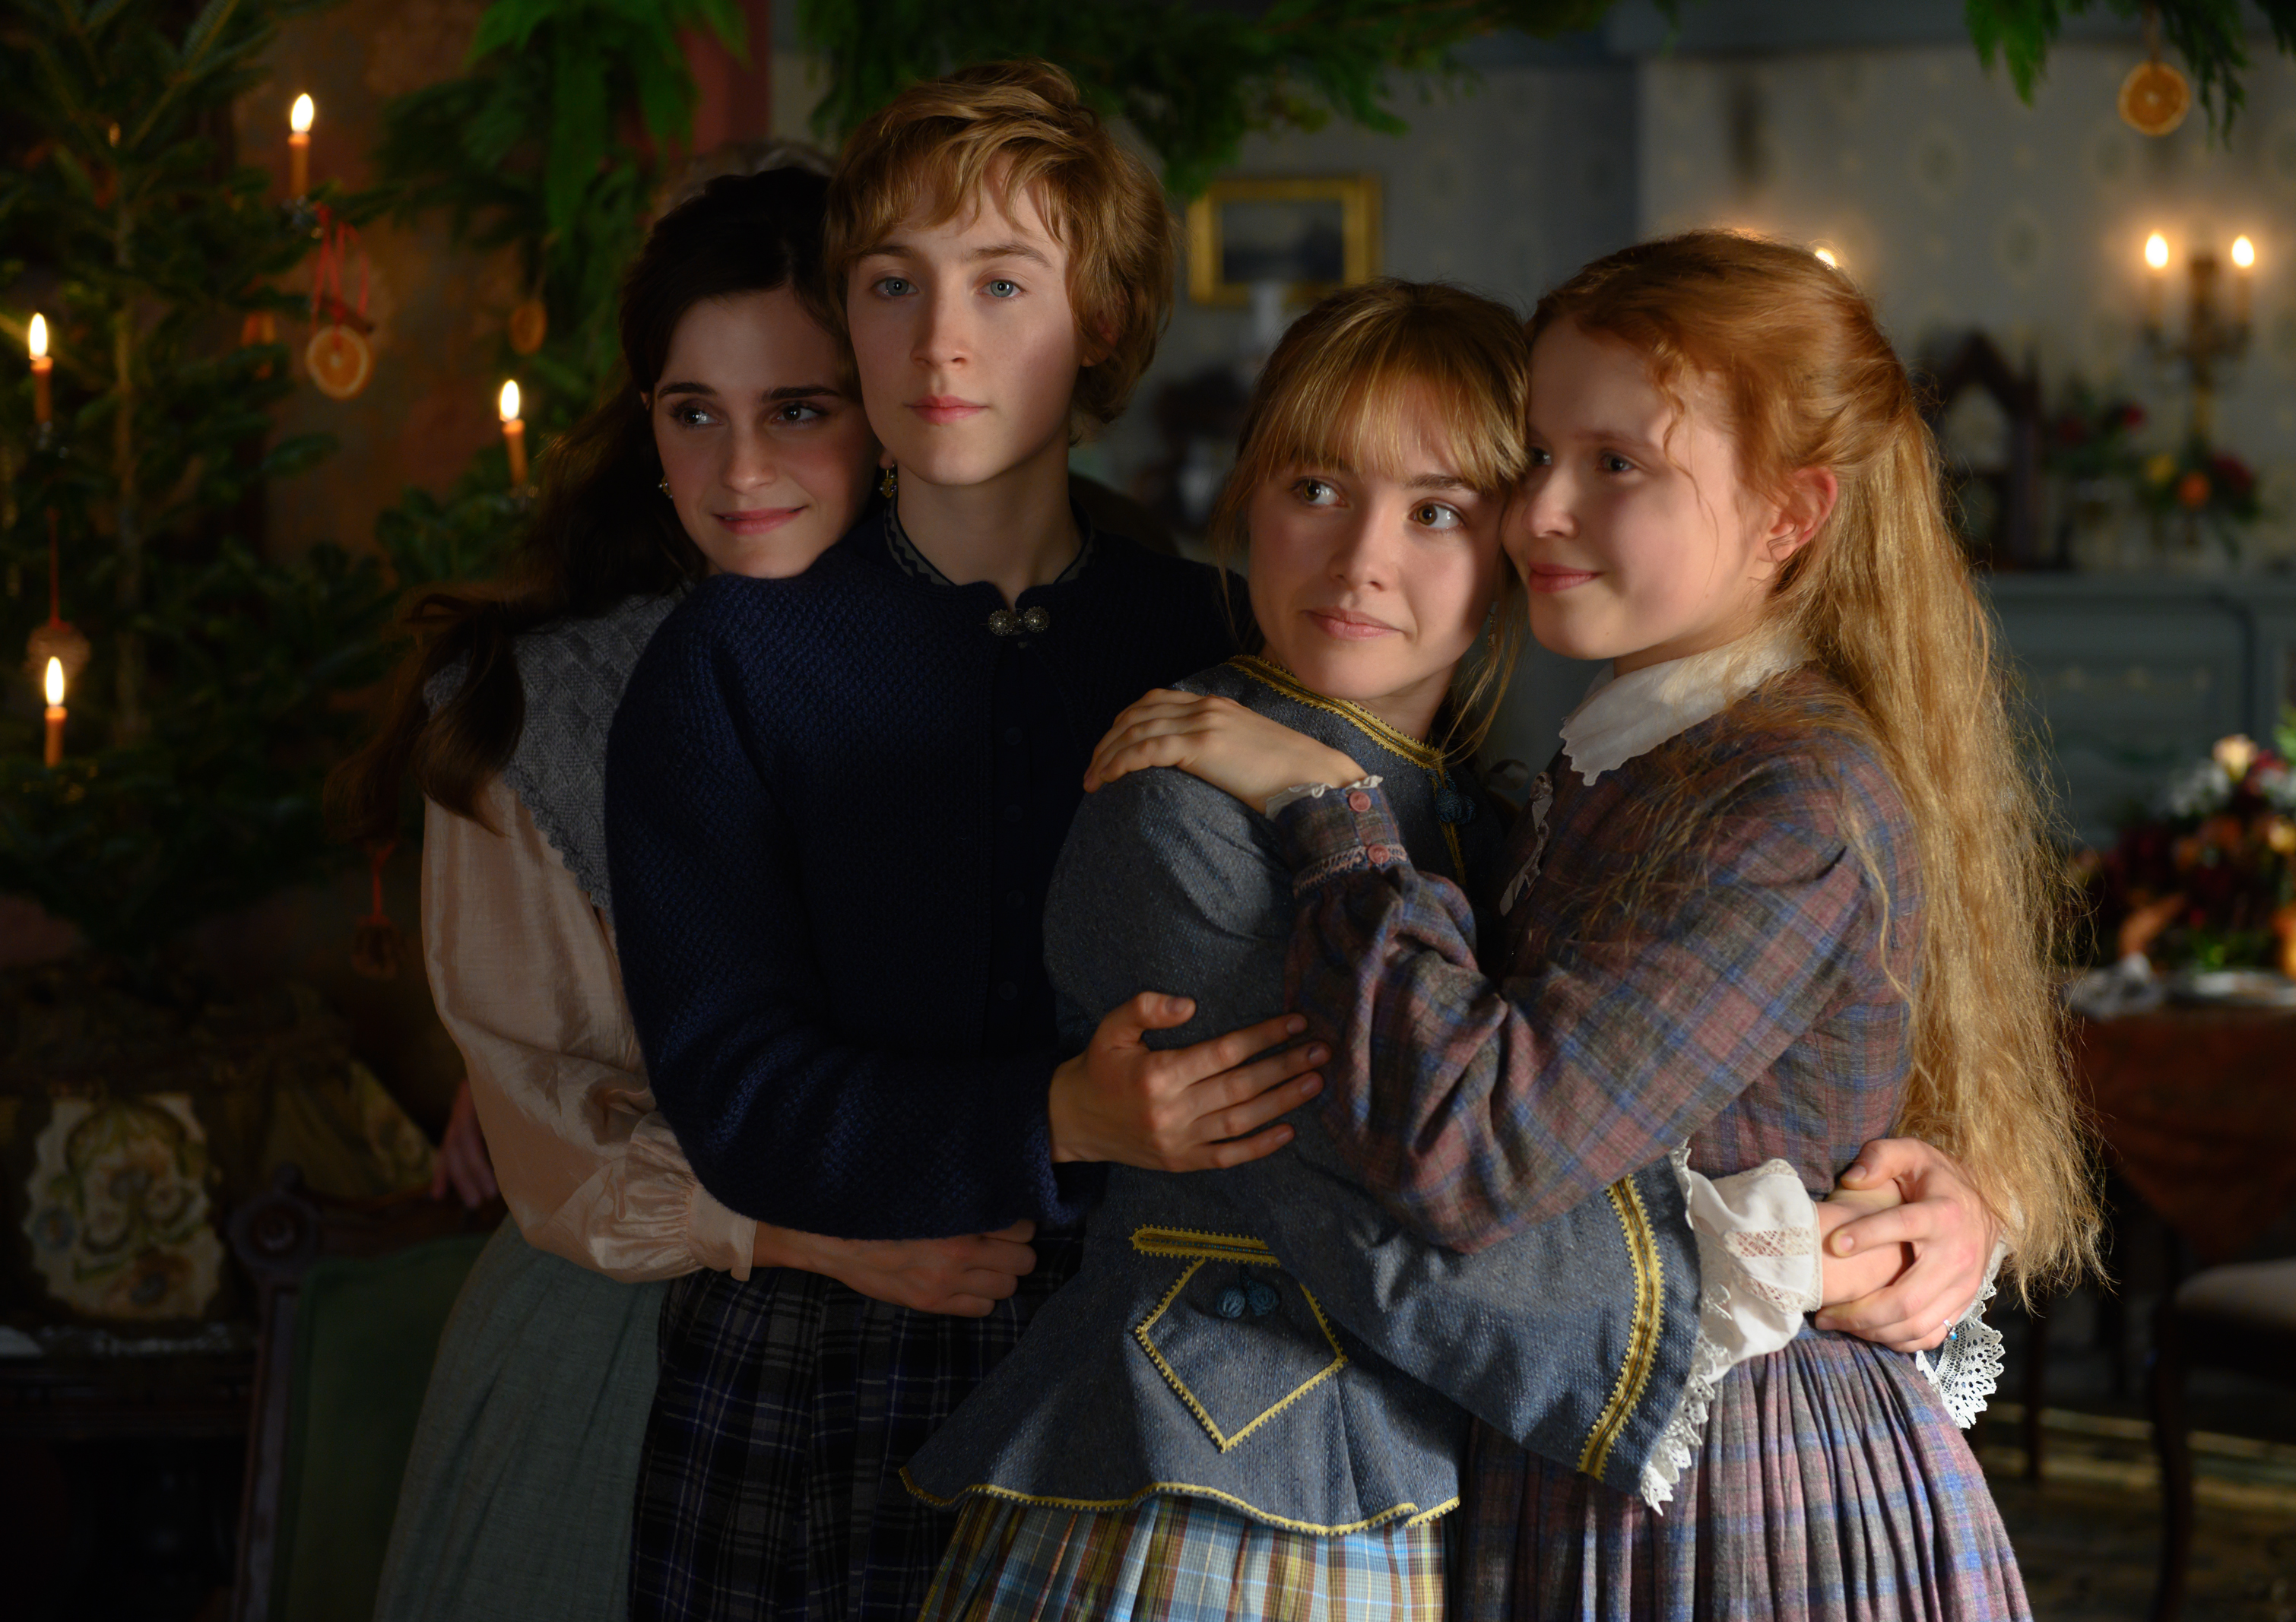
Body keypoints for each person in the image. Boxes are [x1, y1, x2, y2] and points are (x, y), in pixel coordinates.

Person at [907, 279, 1994, 1621]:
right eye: (1315, 488)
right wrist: (1774, 1260)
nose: (1360, 559)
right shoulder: (1180, 802)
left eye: (1437, 509)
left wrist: (1948, 1211)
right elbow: (1387, 1213)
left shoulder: (1497, 809)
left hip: (1472, 1485)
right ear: (1247, 501)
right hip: (1216, 1472)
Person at [604, 62, 1324, 1622]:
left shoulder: (1215, 637)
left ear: (1103, 321)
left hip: (1169, 1348)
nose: (939, 339)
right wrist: (1057, 1113)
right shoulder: (727, 661)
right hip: (827, 1370)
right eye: (892, 284)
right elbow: (732, 1091)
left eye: (1002, 283)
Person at [333, 166, 1003, 1622]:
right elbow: (544, 1110)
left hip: (982, 1330)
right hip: (631, 1340)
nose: (738, 467)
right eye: (694, 412)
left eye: (799, 409)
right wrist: (811, 1232)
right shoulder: (533, 709)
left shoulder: (1022, 642)